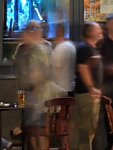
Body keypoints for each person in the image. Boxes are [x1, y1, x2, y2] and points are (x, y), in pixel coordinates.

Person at [13, 21, 53, 150]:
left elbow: (47, 72)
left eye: (35, 29)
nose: (32, 32)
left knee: (39, 131)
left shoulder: (44, 47)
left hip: (39, 95)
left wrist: (37, 89)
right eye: (29, 30)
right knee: (28, 130)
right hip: (23, 93)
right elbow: (17, 69)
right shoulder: (22, 48)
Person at [70, 22, 103, 150]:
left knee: (88, 128)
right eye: (97, 29)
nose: (100, 30)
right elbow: (82, 68)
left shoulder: (93, 48)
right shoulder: (84, 48)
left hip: (90, 94)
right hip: (87, 95)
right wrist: (91, 88)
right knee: (86, 128)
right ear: (89, 32)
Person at [50, 21, 76, 97]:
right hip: (71, 87)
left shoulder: (59, 49)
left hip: (61, 89)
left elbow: (56, 73)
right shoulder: (71, 46)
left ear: (56, 32)